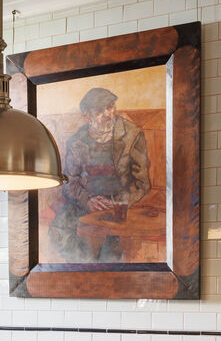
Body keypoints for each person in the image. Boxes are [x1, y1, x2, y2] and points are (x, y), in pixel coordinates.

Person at [49, 87, 151, 262]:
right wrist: (87, 200)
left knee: (113, 253)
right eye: (99, 111)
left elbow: (142, 183)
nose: (108, 114)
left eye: (111, 107)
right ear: (87, 115)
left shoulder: (132, 135)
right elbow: (69, 183)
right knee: (58, 233)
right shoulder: (76, 141)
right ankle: (89, 262)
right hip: (85, 200)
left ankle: (102, 267)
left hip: (120, 203)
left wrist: (118, 203)